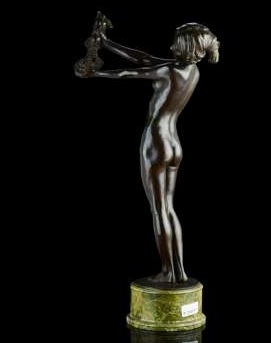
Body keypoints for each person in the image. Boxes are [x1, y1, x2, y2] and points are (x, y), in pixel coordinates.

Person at [94, 23, 220, 283]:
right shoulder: (191, 70)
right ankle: (178, 272)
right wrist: (108, 44)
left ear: (187, 48)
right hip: (174, 144)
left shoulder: (169, 71)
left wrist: (96, 73)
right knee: (168, 209)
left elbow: (131, 72)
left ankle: (167, 271)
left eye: (177, 44)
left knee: (159, 210)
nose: (171, 47)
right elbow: (145, 59)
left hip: (156, 142)